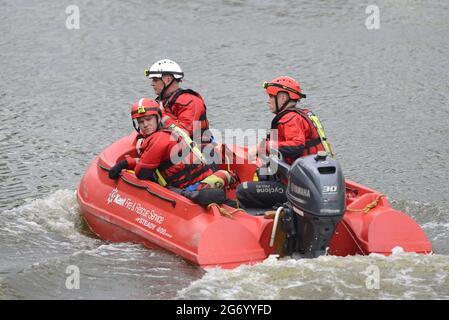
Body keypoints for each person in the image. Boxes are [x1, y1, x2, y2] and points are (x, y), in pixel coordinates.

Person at [236, 76, 333, 209]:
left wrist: (266, 147)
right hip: (312, 182)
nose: (268, 101)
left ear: (282, 98)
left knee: (243, 190)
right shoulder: (302, 114)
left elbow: (297, 145)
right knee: (264, 173)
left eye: (271, 96)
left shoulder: (290, 118)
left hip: (298, 189)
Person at [108, 98, 233, 200]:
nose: (145, 125)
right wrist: (127, 163)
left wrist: (128, 163)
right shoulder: (172, 130)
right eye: (141, 122)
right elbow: (151, 163)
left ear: (157, 118)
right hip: (203, 178)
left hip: (191, 187)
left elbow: (142, 173)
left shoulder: (158, 140)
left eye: (148, 119)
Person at [144, 59, 212, 143]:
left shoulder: (190, 101)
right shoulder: (160, 102)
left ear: (168, 80)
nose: (152, 83)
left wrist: (162, 114)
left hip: (198, 148)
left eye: (155, 79)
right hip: (172, 146)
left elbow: (184, 133)